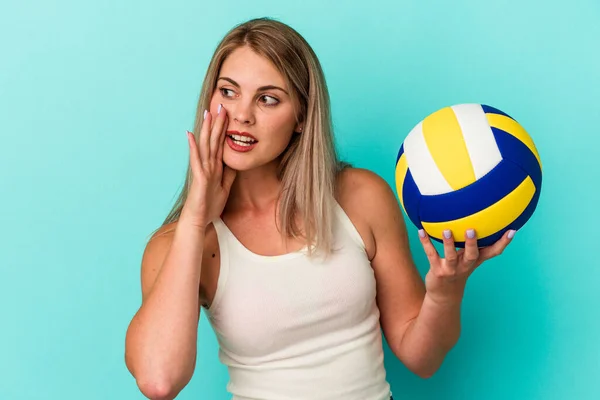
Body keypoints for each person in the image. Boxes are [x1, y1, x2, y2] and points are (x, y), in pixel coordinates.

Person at [124, 17, 515, 400]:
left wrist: (446, 292)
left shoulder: (360, 197)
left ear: (301, 117)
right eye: (228, 92)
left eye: (267, 98)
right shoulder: (180, 243)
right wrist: (195, 219)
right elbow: (159, 381)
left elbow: (422, 358)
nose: (242, 115)